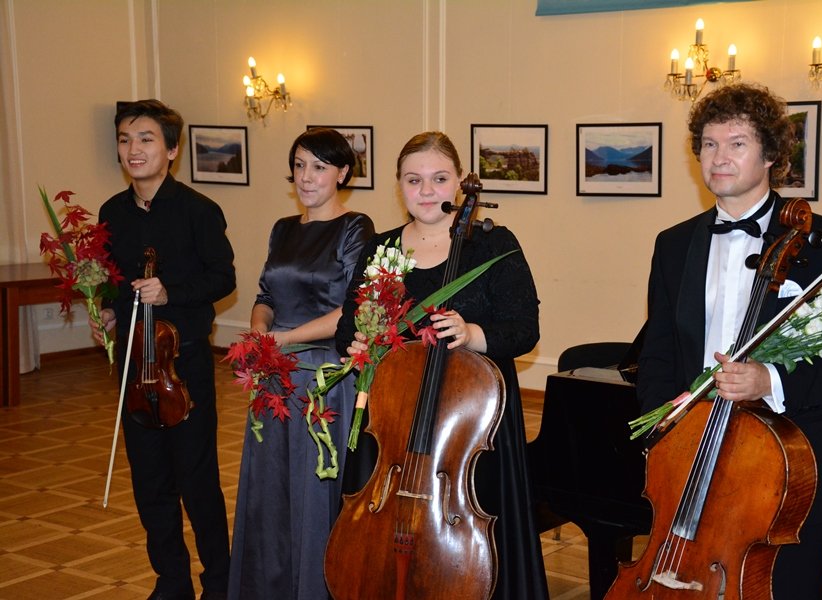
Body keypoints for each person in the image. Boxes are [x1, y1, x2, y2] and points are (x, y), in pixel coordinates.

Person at [637, 83, 822, 599]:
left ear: (771, 155)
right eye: (709, 144)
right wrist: (668, 434)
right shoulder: (673, 244)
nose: (718, 157)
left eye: (737, 144)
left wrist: (769, 380)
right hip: (695, 458)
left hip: (791, 467)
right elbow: (657, 352)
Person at [334, 131, 549, 599]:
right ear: (399, 185)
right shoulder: (381, 249)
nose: (426, 190)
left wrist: (471, 334)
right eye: (413, 180)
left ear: (458, 182)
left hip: (469, 425)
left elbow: (524, 328)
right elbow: (347, 325)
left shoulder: (493, 244)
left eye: (439, 178)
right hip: (391, 424)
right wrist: (357, 343)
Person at [93, 99, 234, 600]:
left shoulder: (199, 210)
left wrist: (170, 293)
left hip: (184, 366)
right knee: (150, 483)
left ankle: (219, 582)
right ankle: (171, 581)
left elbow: (223, 278)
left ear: (172, 150)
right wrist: (108, 309)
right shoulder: (111, 213)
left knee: (197, 481)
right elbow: (111, 280)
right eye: (125, 139)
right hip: (135, 368)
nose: (133, 149)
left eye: (146, 139)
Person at [227, 128, 374, 600]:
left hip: (323, 376)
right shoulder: (283, 229)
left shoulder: (355, 228)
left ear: (342, 173)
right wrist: (259, 331)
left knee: (315, 487)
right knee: (270, 487)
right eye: (299, 165)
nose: (306, 177)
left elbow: (351, 310)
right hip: (274, 372)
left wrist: (285, 338)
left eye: (319, 167)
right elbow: (266, 295)